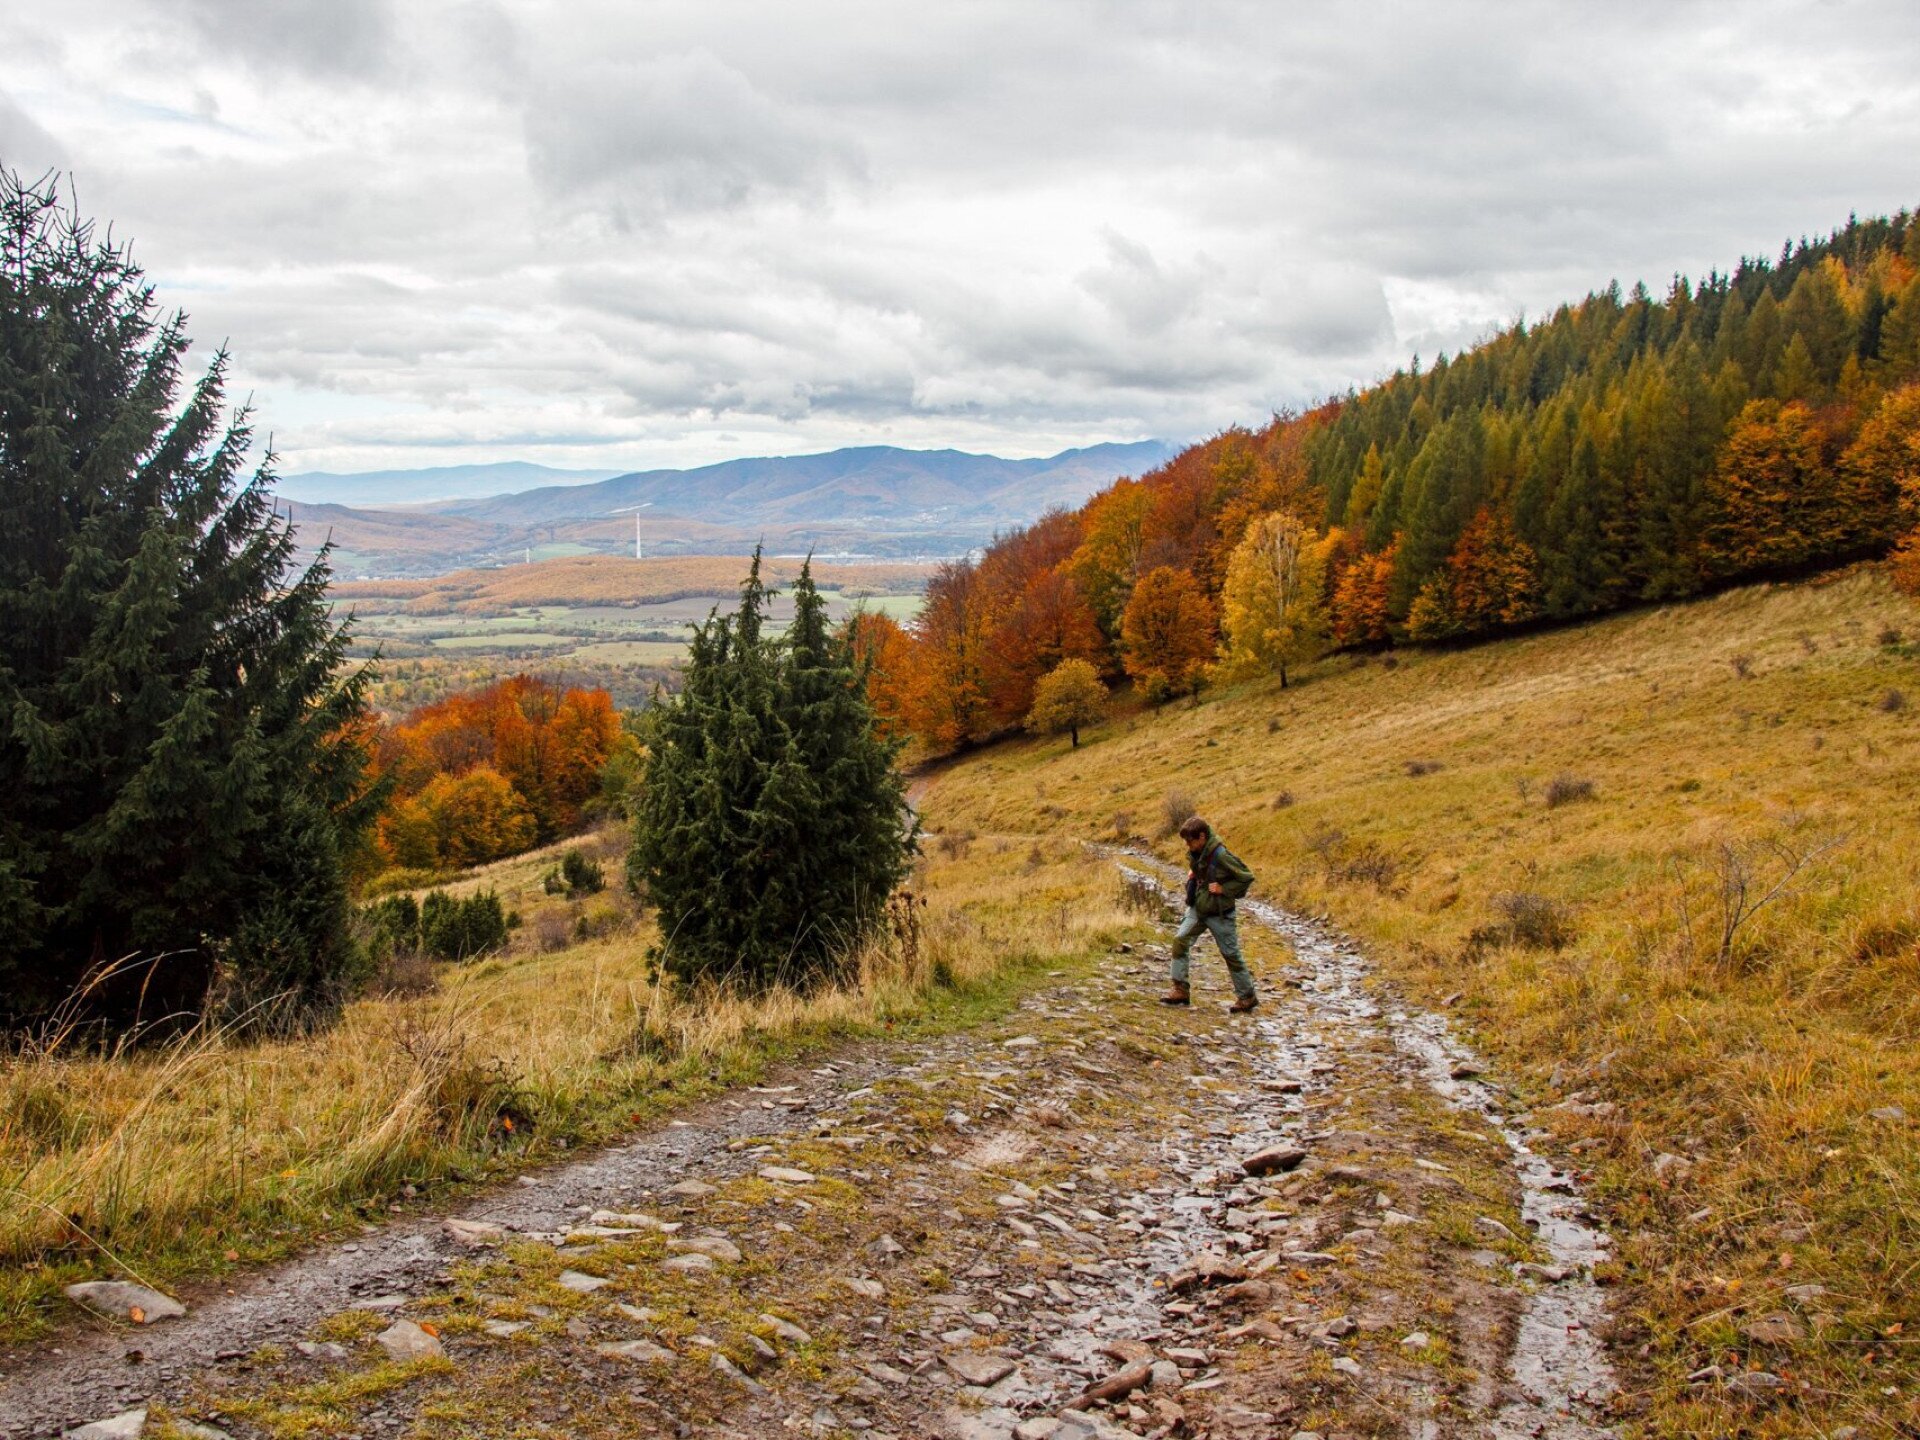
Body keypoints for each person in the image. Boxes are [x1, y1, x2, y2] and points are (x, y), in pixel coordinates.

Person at [1161, 815, 1258, 1012]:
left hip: (1220, 913)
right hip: (1198, 907)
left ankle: (1247, 997)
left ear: (1202, 837)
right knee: (1180, 939)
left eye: (1190, 841)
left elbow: (1246, 877)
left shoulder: (1221, 854)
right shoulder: (1199, 852)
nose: (1188, 846)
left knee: (1230, 953)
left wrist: (1223, 889)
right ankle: (1180, 989)